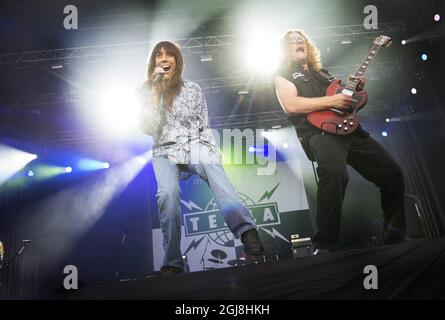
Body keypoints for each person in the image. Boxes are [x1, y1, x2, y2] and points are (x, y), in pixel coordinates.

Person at [274, 30, 406, 254]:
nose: (299, 42)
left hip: (351, 132)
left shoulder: (324, 74)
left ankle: (395, 239)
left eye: (302, 39)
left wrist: (356, 90)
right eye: (292, 40)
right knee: (335, 173)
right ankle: (324, 244)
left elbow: (348, 102)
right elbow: (292, 105)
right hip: (319, 133)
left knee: (393, 174)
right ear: (285, 50)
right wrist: (332, 99)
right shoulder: (283, 75)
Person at [137, 41, 264, 274]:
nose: (164, 59)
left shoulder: (192, 89)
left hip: (194, 144)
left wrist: (210, 155)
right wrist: (155, 94)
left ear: (177, 61)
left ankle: (248, 232)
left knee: (213, 168)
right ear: (153, 62)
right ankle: (173, 263)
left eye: (170, 55)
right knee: (167, 194)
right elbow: (148, 127)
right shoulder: (144, 91)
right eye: (159, 55)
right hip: (165, 151)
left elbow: (202, 126)